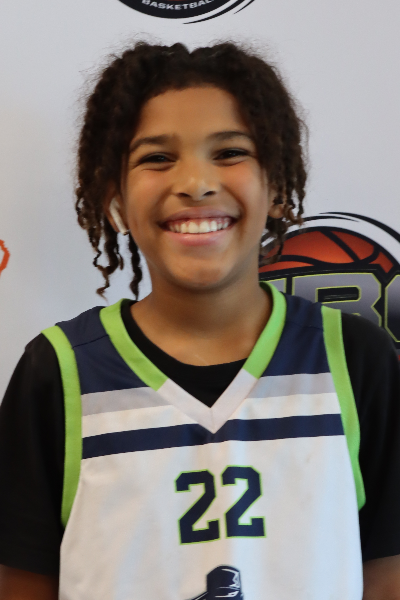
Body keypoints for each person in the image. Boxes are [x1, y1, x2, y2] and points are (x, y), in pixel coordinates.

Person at [0, 41, 399, 600]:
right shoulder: (58, 373)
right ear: (115, 196)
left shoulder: (355, 360)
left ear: (276, 185)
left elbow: (386, 574)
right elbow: (22, 582)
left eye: (230, 152)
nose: (195, 182)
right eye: (157, 158)